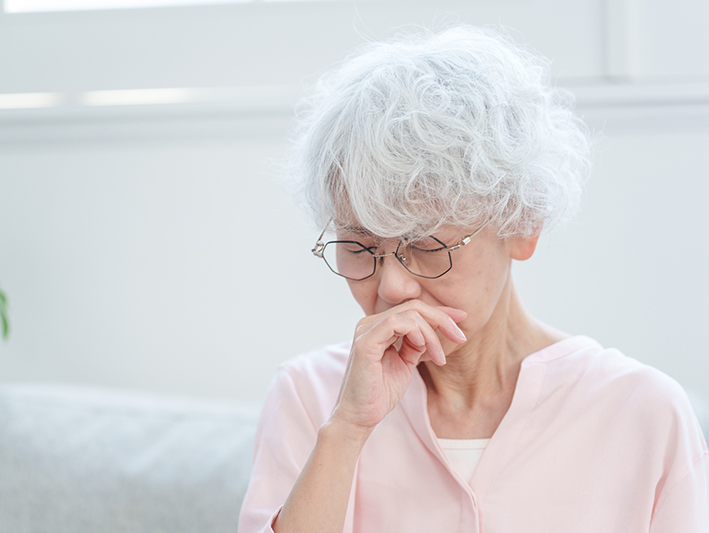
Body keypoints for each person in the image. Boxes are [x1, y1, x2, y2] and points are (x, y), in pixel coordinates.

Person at [238, 24, 709, 532]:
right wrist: (348, 430)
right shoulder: (310, 396)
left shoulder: (641, 412)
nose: (392, 287)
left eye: (426, 245)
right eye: (360, 247)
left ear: (522, 224)